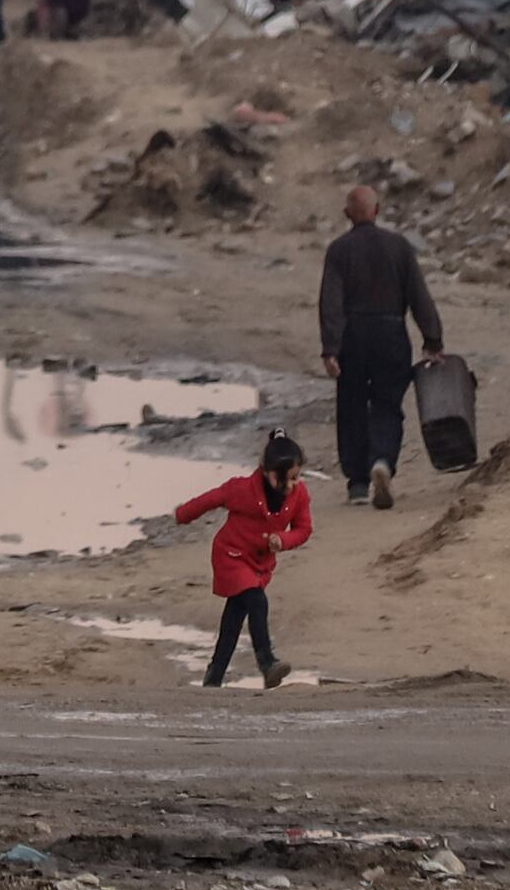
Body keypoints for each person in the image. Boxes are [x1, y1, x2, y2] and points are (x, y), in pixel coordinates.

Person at [316, 184, 444, 507]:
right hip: (391, 334)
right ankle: (382, 461)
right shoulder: (399, 247)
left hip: (353, 337)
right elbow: (419, 296)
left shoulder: (338, 250)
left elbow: (330, 303)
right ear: (378, 210)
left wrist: (330, 348)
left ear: (347, 214)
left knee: (352, 406)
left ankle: (358, 484)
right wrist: (432, 340)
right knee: (388, 403)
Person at [176, 434, 315, 687]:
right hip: (231, 555)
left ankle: (214, 676)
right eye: (286, 478)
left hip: (260, 564)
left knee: (235, 616)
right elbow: (212, 498)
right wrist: (183, 514)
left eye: (296, 478)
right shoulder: (242, 489)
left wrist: (284, 540)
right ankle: (267, 662)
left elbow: (304, 529)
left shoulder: (299, 495)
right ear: (268, 472)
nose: (292, 484)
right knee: (257, 601)